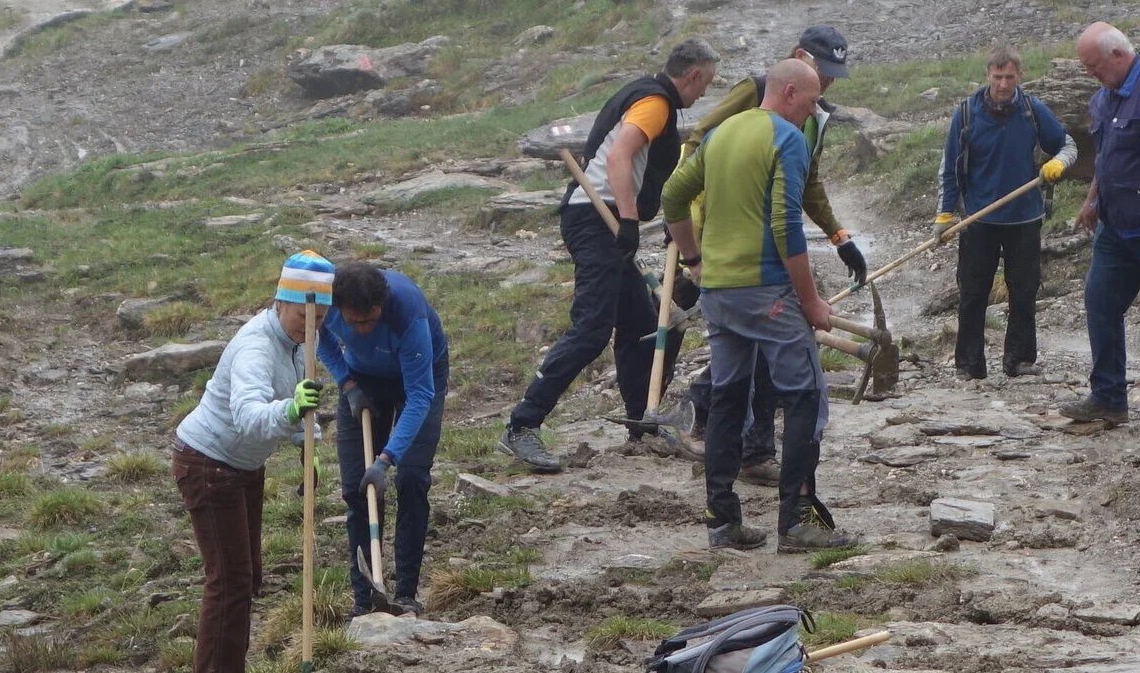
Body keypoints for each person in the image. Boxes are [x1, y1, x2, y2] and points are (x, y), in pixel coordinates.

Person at [498, 37, 719, 472]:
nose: (705, 92)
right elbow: (618, 156)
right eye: (706, 83)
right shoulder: (654, 102)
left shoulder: (646, 95)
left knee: (653, 324)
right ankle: (521, 426)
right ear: (693, 75)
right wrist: (632, 221)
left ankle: (642, 422)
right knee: (592, 327)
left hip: (606, 215)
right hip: (595, 215)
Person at [663, 60, 856, 553]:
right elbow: (785, 224)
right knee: (805, 395)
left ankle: (722, 520)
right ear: (789, 92)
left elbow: (672, 195)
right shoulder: (786, 139)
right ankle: (796, 521)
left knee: (729, 396)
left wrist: (695, 260)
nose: (814, 110)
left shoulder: (723, 133)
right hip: (766, 289)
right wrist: (810, 301)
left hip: (720, 293)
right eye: (811, 100)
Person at [172, 250, 334, 673]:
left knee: (247, 579)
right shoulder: (254, 348)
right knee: (230, 583)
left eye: (320, 317)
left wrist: (310, 445)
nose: (311, 325)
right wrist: (289, 412)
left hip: (243, 465)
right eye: (303, 315)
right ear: (280, 302)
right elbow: (249, 414)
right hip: (209, 463)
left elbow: (300, 406)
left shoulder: (303, 339)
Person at [934, 45, 1075, 380]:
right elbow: (950, 168)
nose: (1003, 84)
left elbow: (1068, 145)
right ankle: (969, 365)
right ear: (988, 76)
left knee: (1024, 290)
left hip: (1024, 217)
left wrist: (1058, 163)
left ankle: (1020, 360)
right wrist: (944, 215)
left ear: (1019, 76)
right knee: (972, 292)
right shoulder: (967, 113)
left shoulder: (1032, 109)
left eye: (1009, 77)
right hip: (978, 218)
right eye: (997, 77)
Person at [319, 262, 448, 616]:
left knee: (411, 478)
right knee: (356, 489)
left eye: (370, 320)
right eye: (354, 322)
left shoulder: (408, 313)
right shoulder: (327, 305)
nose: (362, 328)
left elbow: (421, 395)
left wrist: (386, 459)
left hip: (420, 378)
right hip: (362, 379)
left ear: (382, 304)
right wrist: (347, 384)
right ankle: (364, 600)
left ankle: (406, 593)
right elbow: (316, 337)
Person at [1060, 22, 1140, 426]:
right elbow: (1106, 157)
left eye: (1092, 66)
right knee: (1100, 302)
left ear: (1117, 56)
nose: (1089, 73)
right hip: (1114, 226)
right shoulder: (1103, 100)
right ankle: (1108, 398)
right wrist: (1091, 200)